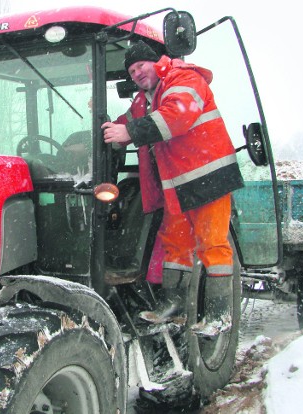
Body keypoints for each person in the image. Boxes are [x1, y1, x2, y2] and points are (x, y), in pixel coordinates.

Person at [101, 41, 244, 326]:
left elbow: (176, 116)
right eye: (131, 71)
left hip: (208, 180)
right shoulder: (145, 100)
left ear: (156, 62)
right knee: (175, 244)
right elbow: (125, 122)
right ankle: (173, 305)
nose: (136, 73)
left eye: (140, 65)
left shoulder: (184, 78)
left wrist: (128, 131)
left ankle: (219, 315)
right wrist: (99, 131)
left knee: (212, 244)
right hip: (177, 186)